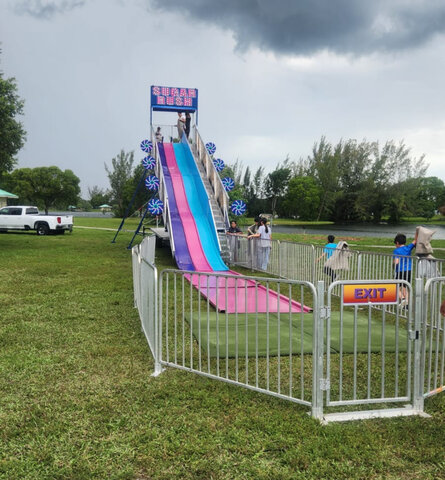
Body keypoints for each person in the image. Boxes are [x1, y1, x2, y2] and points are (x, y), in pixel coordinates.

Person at [393, 233, 417, 306]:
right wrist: (417, 233)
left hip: (400, 271)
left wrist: (393, 264)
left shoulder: (396, 251)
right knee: (404, 287)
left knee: (395, 287)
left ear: (397, 243)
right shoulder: (408, 248)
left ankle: (403, 299)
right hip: (409, 270)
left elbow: (396, 262)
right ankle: (407, 305)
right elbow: (415, 241)